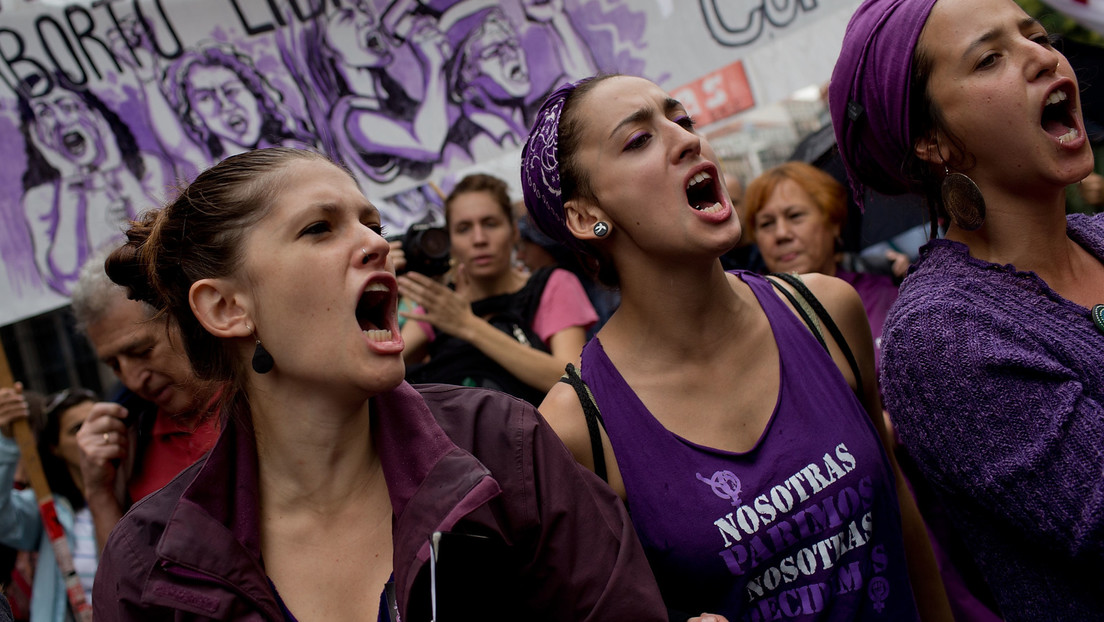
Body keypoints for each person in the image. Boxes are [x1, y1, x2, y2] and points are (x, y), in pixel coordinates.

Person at [91, 147, 666, 620]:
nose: (375, 245)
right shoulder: (148, 568)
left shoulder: (503, 448)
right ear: (225, 307)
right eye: (319, 228)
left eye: (372, 225)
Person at [520, 74, 952, 621]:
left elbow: (901, 512)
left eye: (681, 121)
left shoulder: (825, 311)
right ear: (585, 215)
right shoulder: (574, 427)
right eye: (638, 140)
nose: (686, 140)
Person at [829, 0, 1104, 619]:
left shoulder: (1100, 235)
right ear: (934, 141)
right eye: (989, 58)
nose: (1041, 57)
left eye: (1036, 36)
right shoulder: (941, 338)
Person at [398, 173, 597, 405]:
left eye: (490, 224)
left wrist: (467, 325)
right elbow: (382, 371)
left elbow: (574, 382)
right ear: (449, 242)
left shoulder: (552, 284)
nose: (479, 239)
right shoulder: (441, 302)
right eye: (464, 229)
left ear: (513, 232)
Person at [69, 251, 220, 550]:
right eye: (114, 365)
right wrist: (100, 493)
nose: (133, 379)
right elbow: (123, 585)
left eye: (141, 352)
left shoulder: (263, 402)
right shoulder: (129, 442)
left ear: (185, 319)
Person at [744, 162, 899, 372]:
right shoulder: (748, 314)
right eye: (766, 223)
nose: (781, 234)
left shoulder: (885, 298)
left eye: (795, 216)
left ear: (833, 222)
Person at [0, 385, 101, 621]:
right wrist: (5, 442)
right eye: (77, 428)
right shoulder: (52, 512)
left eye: (97, 421)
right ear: (55, 448)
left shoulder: (146, 494)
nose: (92, 433)